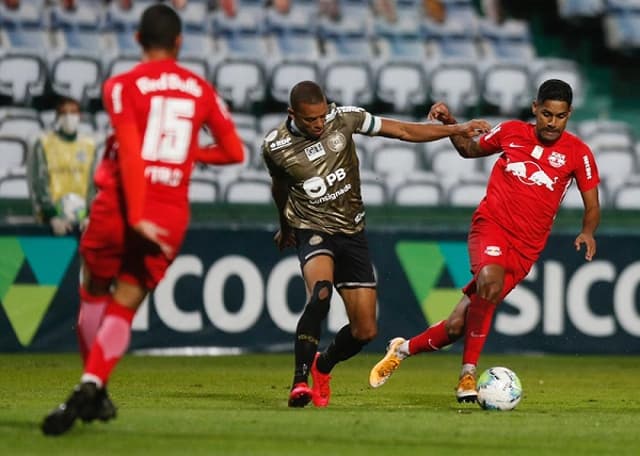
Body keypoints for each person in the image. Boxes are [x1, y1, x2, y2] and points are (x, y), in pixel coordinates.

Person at [41, 3, 244, 435]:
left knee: (95, 292)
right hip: (170, 209)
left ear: (137, 40)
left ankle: (93, 384)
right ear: (179, 42)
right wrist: (191, 154)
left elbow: (131, 152)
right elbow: (235, 152)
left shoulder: (121, 85)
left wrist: (135, 214)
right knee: (126, 303)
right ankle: (93, 385)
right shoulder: (200, 90)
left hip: (120, 203)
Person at [369, 79, 601, 403]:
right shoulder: (510, 132)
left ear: (569, 114)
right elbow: (468, 150)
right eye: (546, 114)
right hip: (491, 225)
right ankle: (467, 374)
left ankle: (402, 349)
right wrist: (451, 125)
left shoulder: (579, 153)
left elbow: (592, 205)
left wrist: (587, 231)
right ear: (535, 109)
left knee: (455, 326)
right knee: (489, 282)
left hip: (526, 247)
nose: (552, 122)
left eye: (559, 116)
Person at [262, 80, 491, 408]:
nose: (318, 124)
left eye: (321, 117)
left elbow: (402, 131)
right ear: (291, 114)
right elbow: (280, 188)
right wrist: (285, 227)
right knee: (321, 294)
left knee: (365, 331)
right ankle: (300, 381)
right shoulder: (276, 147)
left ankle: (322, 365)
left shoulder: (345, 119)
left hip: (352, 234)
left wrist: (458, 128)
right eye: (309, 120)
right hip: (311, 228)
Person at [28, 96, 97, 236]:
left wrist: (91, 216)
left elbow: (93, 185)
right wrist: (52, 216)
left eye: (73, 112)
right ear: (57, 116)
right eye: (64, 112)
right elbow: (39, 183)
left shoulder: (89, 146)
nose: (69, 117)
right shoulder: (44, 144)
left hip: (82, 222)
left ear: (79, 116)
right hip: (51, 221)